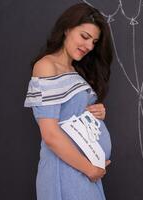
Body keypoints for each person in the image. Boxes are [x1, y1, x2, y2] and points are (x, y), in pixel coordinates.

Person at [24, 3, 113, 200]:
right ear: (67, 28)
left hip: (82, 171)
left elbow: (72, 113)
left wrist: (96, 113)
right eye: (85, 36)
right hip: (66, 170)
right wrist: (90, 169)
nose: (89, 46)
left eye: (94, 42)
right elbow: (50, 134)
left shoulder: (75, 71)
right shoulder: (46, 66)